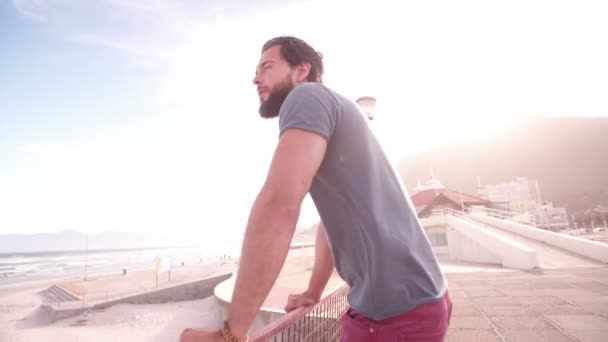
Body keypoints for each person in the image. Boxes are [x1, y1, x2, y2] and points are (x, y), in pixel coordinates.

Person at [179, 36, 451, 342]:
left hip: (395, 316)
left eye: (267, 67)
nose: (256, 78)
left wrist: (231, 332)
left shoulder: (307, 96)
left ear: (301, 70)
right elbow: (329, 223)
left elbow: (279, 203)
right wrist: (313, 291)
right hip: (412, 303)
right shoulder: (334, 109)